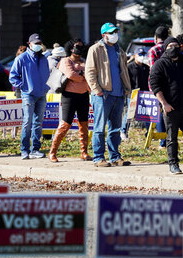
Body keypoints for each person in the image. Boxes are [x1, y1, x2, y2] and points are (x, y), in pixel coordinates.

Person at [149, 37, 183, 174]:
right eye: (170, 46)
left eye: (175, 45)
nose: (173, 48)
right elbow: (155, 87)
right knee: (171, 138)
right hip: (170, 108)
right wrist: (164, 104)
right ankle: (173, 164)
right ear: (165, 48)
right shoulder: (159, 64)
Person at [85, 23, 132, 167]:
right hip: (102, 94)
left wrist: (126, 88)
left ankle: (115, 157)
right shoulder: (95, 49)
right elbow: (90, 71)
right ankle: (98, 158)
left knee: (115, 129)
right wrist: (96, 89)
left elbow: (123, 70)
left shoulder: (119, 50)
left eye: (116, 32)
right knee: (99, 128)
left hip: (118, 94)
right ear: (104, 35)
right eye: (111, 32)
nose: (114, 35)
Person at [49, 39, 91, 162]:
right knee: (65, 124)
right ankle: (52, 152)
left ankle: (84, 152)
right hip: (69, 97)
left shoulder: (84, 61)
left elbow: (88, 74)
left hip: (83, 95)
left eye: (81, 46)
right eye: (77, 46)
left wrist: (81, 75)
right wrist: (83, 75)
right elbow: (71, 75)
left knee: (84, 125)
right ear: (71, 48)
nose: (79, 48)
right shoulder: (65, 60)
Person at [9, 33, 50, 159]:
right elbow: (12, 76)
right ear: (29, 44)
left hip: (42, 94)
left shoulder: (43, 59)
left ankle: (35, 149)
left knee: (38, 123)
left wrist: (46, 87)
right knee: (27, 122)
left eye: (39, 43)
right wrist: (23, 86)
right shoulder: (21, 58)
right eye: (35, 43)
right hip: (29, 94)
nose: (38, 45)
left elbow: (47, 75)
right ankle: (24, 150)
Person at [147, 26, 170, 149]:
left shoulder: (153, 50)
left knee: (158, 112)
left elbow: (153, 69)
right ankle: (169, 137)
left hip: (156, 85)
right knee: (167, 110)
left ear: (155, 37)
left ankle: (163, 142)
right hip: (169, 84)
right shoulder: (169, 49)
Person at [122, 47, 150, 138]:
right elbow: (125, 80)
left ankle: (149, 133)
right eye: (140, 54)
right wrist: (127, 91)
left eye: (143, 54)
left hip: (145, 94)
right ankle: (123, 131)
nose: (142, 56)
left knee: (147, 114)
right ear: (134, 56)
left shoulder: (147, 68)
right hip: (133, 94)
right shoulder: (129, 67)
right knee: (130, 114)